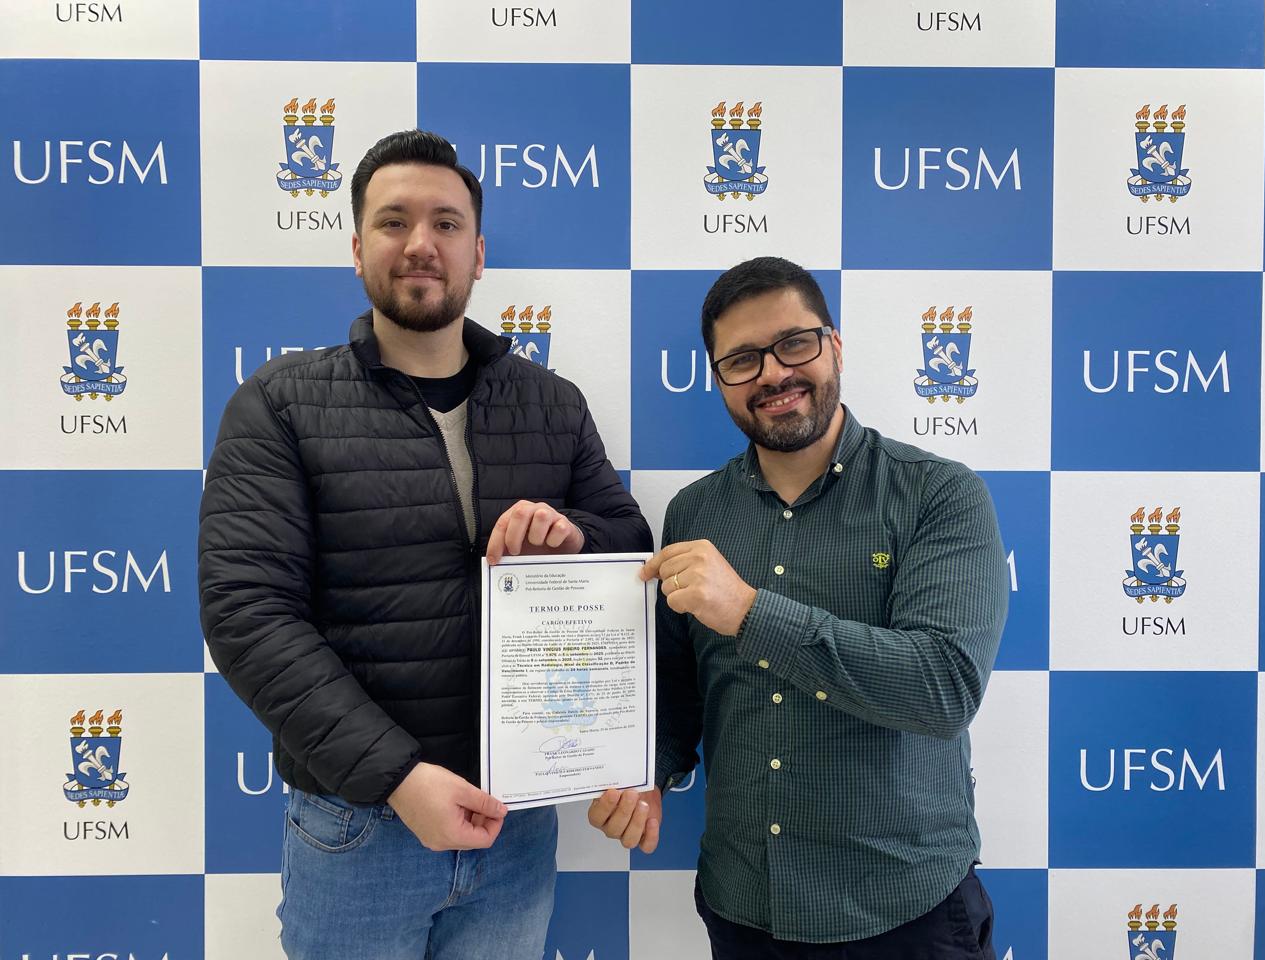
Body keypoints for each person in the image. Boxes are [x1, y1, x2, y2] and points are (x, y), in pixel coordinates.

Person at [199, 129, 651, 960]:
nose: (420, 244)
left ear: (477, 253)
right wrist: (398, 778)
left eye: (445, 224)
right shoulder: (279, 404)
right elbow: (247, 614)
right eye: (393, 221)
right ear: (357, 249)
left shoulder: (552, 402)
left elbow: (630, 546)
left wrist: (574, 537)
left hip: (515, 826)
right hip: (358, 826)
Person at [588, 257, 1008, 958]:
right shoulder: (694, 512)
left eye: (794, 344)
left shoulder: (938, 494)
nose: (774, 374)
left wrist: (751, 613)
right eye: (742, 360)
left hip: (906, 911)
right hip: (745, 906)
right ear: (718, 379)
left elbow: (943, 688)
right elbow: (680, 689)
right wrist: (648, 774)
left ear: (834, 346)